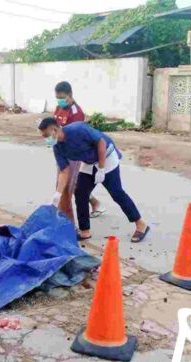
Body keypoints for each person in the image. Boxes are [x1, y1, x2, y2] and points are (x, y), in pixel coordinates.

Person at [38, 117, 149, 243]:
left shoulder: (77, 130)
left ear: (54, 130)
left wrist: (101, 169)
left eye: (46, 135)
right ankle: (85, 231)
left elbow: (101, 142)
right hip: (89, 162)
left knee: (116, 192)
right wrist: (57, 195)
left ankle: (140, 224)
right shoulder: (58, 147)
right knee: (80, 193)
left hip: (106, 157)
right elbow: (64, 171)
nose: (45, 139)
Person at [52, 81, 105, 223]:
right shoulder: (59, 107)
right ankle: (94, 203)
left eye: (62, 97)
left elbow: (75, 136)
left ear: (70, 96)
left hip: (73, 154)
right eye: (57, 97)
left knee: (66, 189)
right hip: (61, 149)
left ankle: (68, 224)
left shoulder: (76, 112)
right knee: (69, 185)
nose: (59, 100)